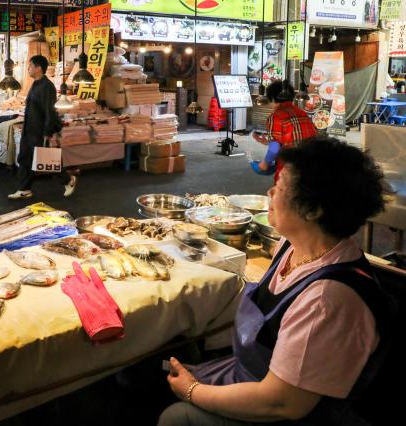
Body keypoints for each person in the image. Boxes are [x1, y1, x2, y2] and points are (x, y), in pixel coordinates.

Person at [159, 137, 393, 426]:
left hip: (289, 410)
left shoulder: (326, 301)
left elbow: (281, 403)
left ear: (312, 209)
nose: (270, 191)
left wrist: (193, 391)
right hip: (253, 373)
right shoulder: (292, 245)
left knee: (175, 417)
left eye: (280, 187)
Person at [8, 55, 77, 200]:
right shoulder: (35, 83)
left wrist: (47, 132)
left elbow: (49, 110)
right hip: (29, 128)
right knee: (25, 158)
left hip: (39, 130)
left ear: (39, 68)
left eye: (30, 66)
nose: (28, 68)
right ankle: (24, 189)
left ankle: (68, 180)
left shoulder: (47, 86)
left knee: (47, 160)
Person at [252, 80, 317, 182]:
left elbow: (274, 148)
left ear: (272, 99)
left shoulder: (275, 116)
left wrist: (264, 164)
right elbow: (296, 138)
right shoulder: (302, 113)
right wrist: (266, 141)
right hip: (311, 164)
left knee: (284, 194)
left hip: (290, 168)